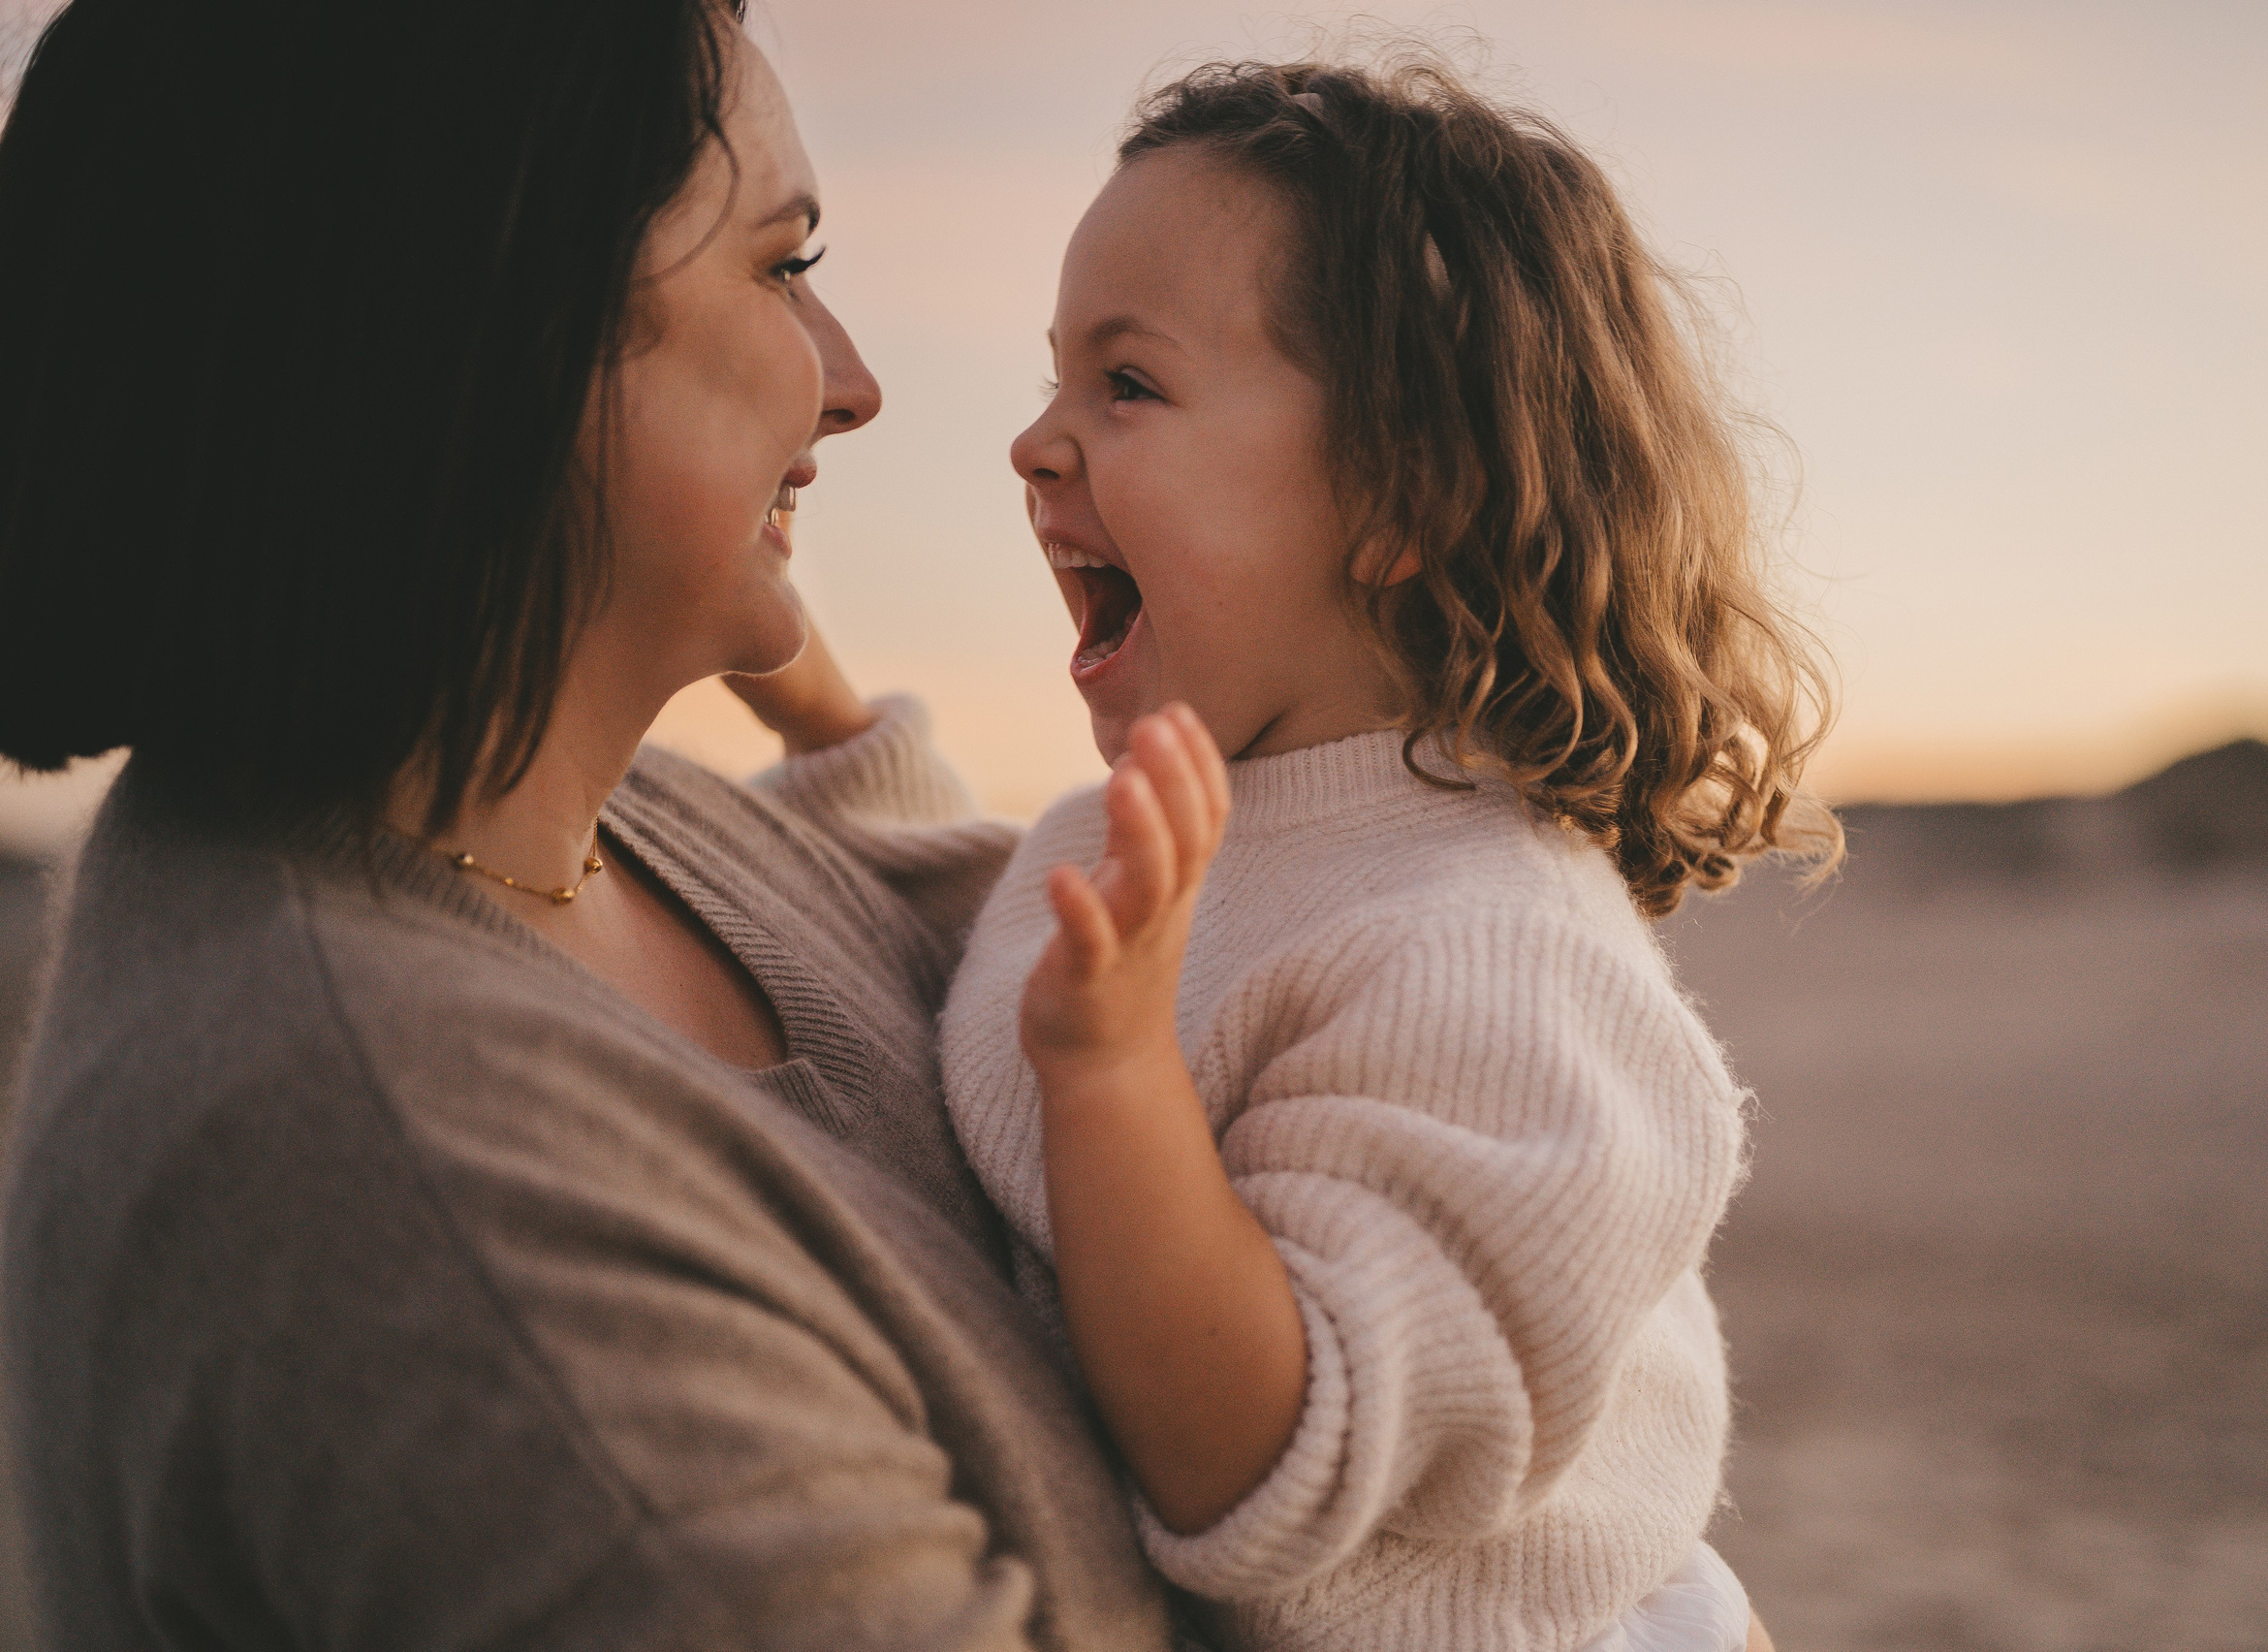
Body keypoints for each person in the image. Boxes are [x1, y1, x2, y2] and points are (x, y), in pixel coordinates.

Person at [0, 3, 1177, 1647]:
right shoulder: (407, 1193)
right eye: (782, 267)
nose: (855, 385)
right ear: (491, 335)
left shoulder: (630, 825)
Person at [902, 55, 1837, 1652]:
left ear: (1402, 493)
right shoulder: (1213, 813)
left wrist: (1114, 1077)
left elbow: (1262, 1458)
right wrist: (833, 745)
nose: (1034, 445)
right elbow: (970, 916)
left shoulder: (1489, 952)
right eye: (1054, 379)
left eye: (1126, 385)